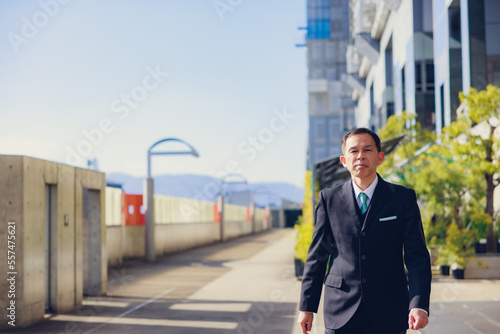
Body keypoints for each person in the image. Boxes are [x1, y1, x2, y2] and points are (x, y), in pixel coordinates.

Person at [297, 128, 431, 334]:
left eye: (367, 150)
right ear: (344, 160)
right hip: (340, 309)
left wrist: (418, 304)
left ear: (380, 157)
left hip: (389, 308)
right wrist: (307, 307)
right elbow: (317, 256)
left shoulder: (402, 198)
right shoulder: (329, 199)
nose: (360, 156)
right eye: (353, 151)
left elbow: (417, 256)